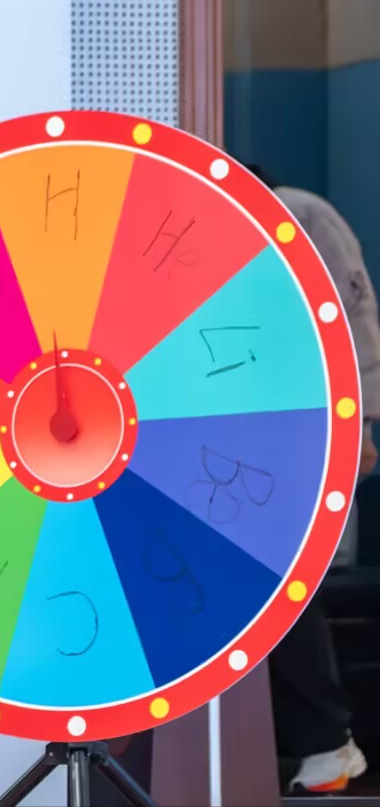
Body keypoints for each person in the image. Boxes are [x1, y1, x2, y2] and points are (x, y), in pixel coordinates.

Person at [247, 163, 380, 793]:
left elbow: (355, 321)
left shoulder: (302, 214)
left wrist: (361, 426)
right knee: (268, 584)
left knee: (291, 582)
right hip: (256, 430)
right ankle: (310, 741)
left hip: (314, 424)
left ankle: (328, 741)